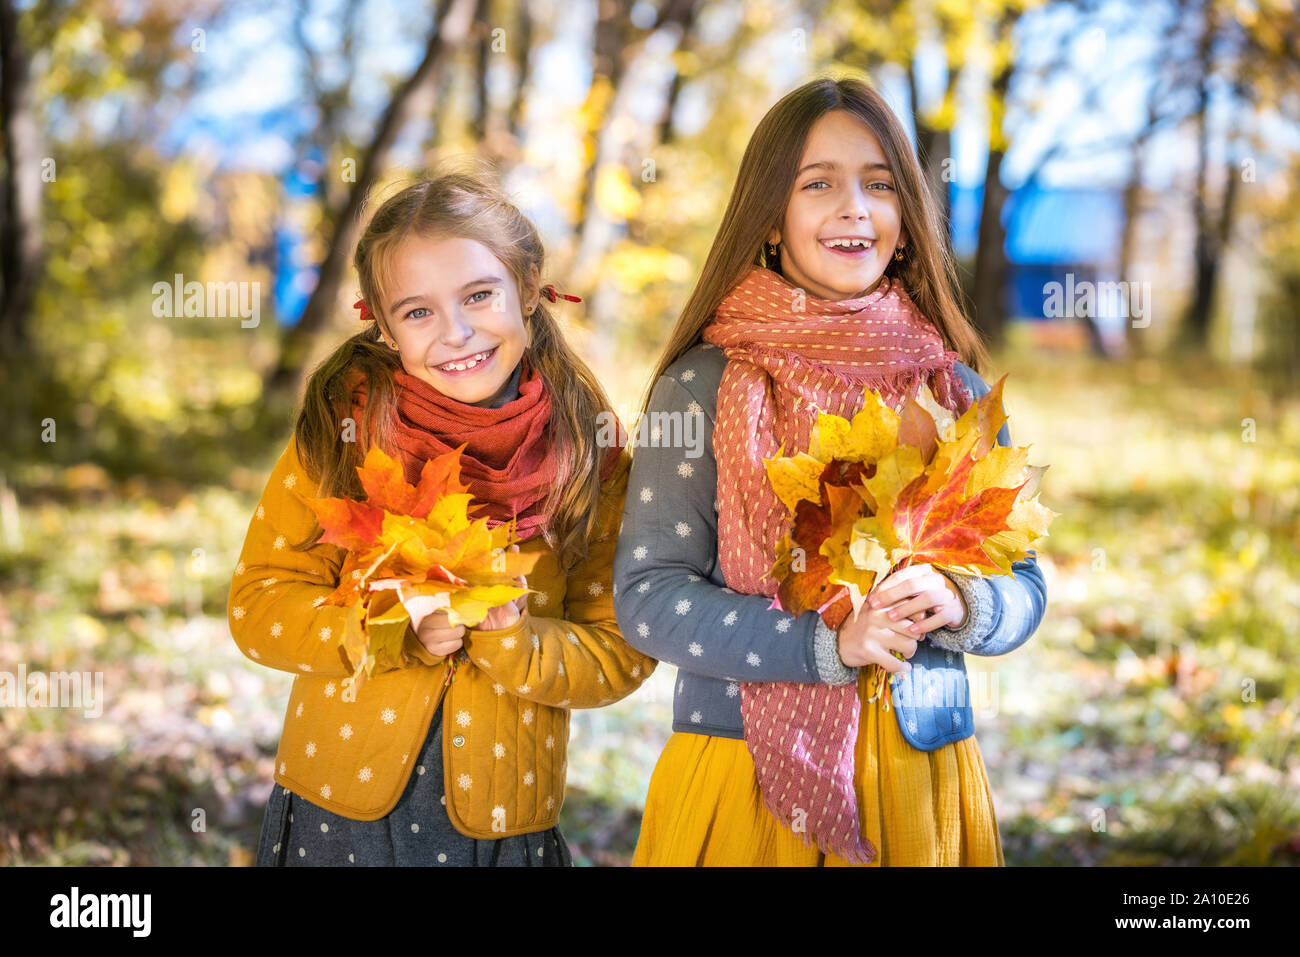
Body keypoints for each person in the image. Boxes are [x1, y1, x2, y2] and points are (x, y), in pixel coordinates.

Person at [613, 76, 1047, 866]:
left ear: (907, 226)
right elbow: (649, 597)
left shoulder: (956, 391)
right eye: (819, 183)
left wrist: (962, 599)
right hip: (741, 769)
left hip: (919, 768)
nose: (855, 206)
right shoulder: (703, 385)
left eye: (879, 185)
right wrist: (823, 644)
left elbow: (1027, 587)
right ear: (770, 219)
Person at [229, 166, 655, 866]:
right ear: (385, 326)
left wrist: (517, 643)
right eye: (418, 311)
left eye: (479, 295)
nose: (456, 332)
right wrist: (378, 630)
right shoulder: (343, 435)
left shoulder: (591, 453)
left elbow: (622, 645)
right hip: (340, 812)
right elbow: (257, 603)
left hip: (501, 818)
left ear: (526, 286)